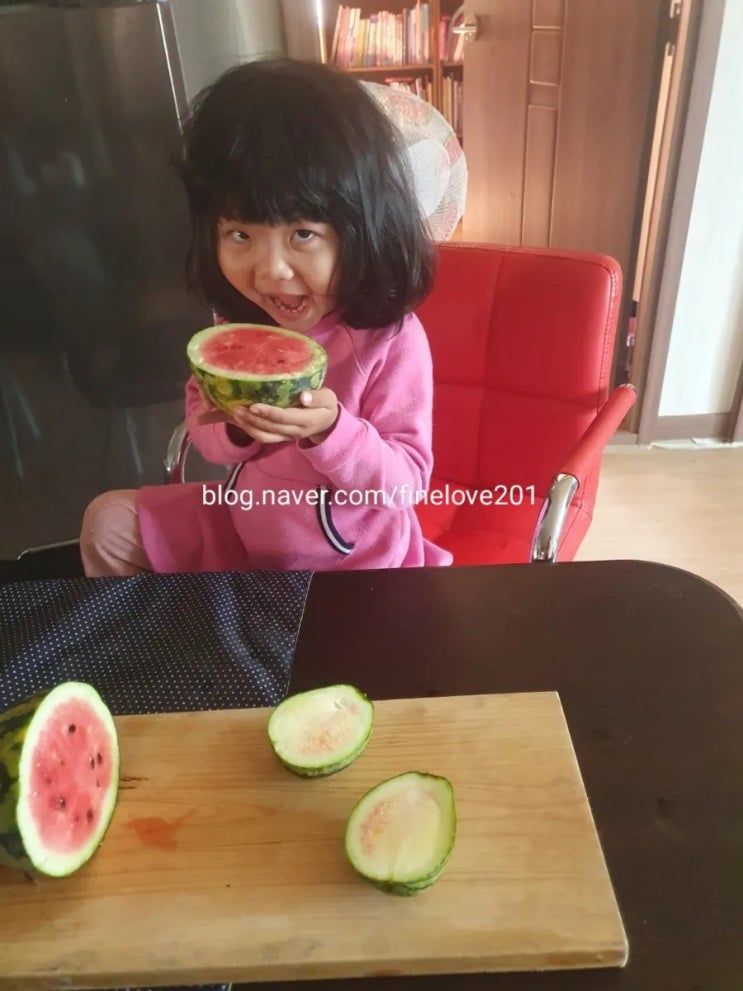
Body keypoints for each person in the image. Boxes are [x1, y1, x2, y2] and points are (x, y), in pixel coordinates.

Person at [80, 57, 453, 576]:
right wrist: (236, 429)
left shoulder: (391, 340)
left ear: (363, 227)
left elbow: (404, 485)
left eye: (302, 234)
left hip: (350, 565)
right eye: (240, 234)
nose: (270, 271)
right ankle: (186, 624)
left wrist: (332, 432)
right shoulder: (236, 324)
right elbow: (204, 427)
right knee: (107, 522)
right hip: (243, 531)